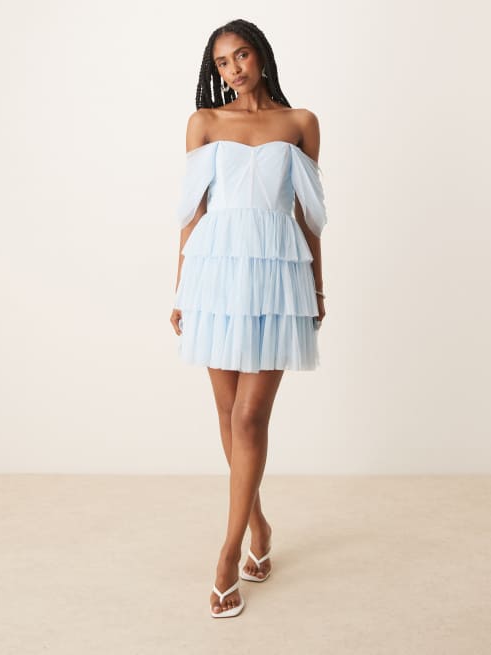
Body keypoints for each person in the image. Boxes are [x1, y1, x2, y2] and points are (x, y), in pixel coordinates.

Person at [169, 18, 328, 618]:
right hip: (215, 275)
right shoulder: (204, 123)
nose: (234, 69)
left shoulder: (301, 123)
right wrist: (181, 287)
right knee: (226, 412)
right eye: (222, 62)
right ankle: (258, 523)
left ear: (261, 55)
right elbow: (193, 211)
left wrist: (317, 287)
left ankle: (228, 553)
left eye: (241, 55)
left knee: (250, 415)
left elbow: (309, 215)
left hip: (277, 278)